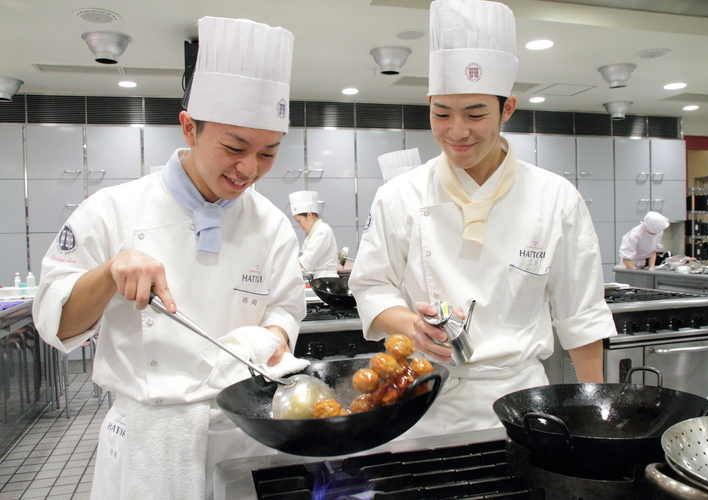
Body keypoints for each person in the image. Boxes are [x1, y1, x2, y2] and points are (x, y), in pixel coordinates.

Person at [32, 16, 305, 499]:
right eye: (234, 147)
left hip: (246, 431)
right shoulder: (112, 209)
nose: (249, 169)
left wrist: (271, 339)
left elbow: (285, 306)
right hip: (146, 442)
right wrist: (109, 272)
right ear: (189, 128)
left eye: (268, 154)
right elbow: (55, 324)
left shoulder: (271, 223)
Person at [349, 0, 616, 439]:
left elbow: (581, 314)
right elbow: (370, 286)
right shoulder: (399, 195)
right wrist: (412, 327)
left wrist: (596, 413)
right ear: (429, 103)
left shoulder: (555, 198)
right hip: (425, 400)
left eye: (475, 114)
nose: (457, 131)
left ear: (507, 107)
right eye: (441, 113)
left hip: (525, 403)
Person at [289, 190, 340, 279]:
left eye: (299, 221)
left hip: (327, 279)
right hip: (320, 278)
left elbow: (306, 261)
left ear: (309, 215)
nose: (300, 226)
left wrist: (285, 265)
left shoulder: (323, 230)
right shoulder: (315, 232)